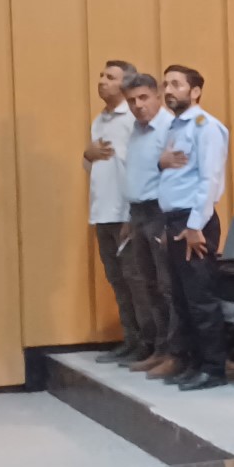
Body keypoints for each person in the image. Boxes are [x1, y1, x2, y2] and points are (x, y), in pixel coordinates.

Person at [154, 65, 232, 391]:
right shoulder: (175, 127)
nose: (169, 90)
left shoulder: (205, 126)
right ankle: (194, 362)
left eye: (177, 84)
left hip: (193, 221)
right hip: (175, 220)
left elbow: (209, 179)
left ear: (196, 91)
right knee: (183, 299)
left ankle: (213, 369)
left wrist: (194, 225)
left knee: (201, 298)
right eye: (166, 84)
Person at [118, 72, 173, 374]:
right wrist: (130, 216)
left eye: (143, 98)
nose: (138, 106)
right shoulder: (136, 131)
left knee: (167, 286)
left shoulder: (169, 128)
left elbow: (175, 177)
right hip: (139, 213)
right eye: (131, 101)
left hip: (160, 212)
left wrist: (168, 223)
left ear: (157, 95)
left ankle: (175, 352)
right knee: (148, 284)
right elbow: (137, 175)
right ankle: (159, 348)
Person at [85, 59, 139, 360]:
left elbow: (139, 168)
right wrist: (86, 154)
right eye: (101, 75)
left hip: (125, 213)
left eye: (110, 77)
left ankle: (147, 344)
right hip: (102, 210)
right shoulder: (100, 120)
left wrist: (132, 214)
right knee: (117, 281)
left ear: (126, 84)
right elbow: (93, 166)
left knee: (136, 280)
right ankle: (131, 340)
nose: (102, 81)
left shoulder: (132, 119)